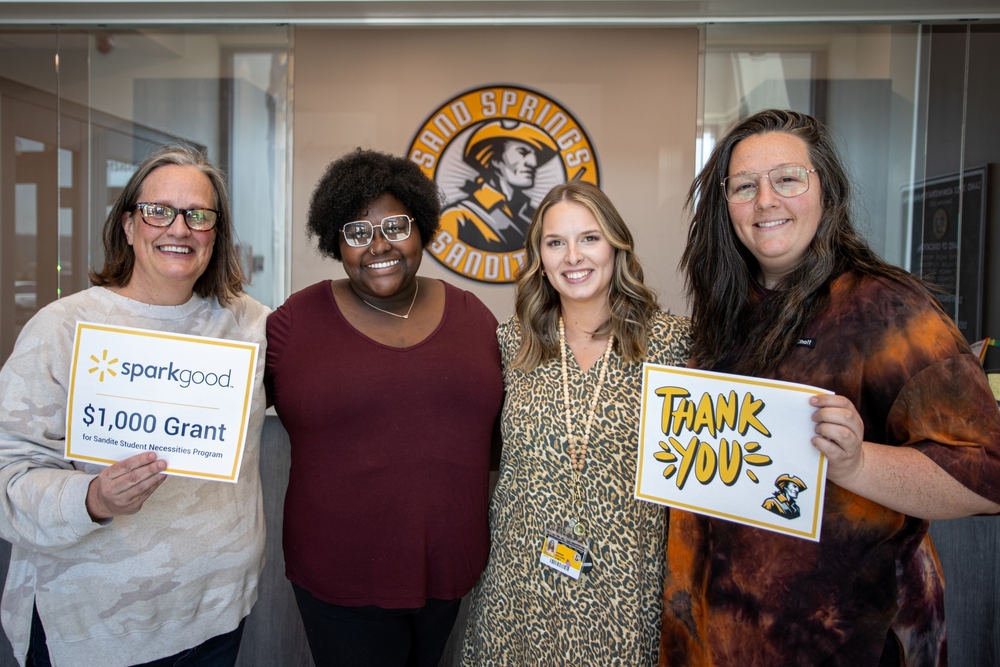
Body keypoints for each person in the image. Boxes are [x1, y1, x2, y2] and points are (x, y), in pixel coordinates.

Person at [661, 109, 1000, 667]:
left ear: (827, 191)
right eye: (744, 186)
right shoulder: (727, 309)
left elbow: (987, 475)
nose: (766, 200)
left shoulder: (887, 310)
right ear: (725, 205)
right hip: (712, 638)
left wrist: (857, 464)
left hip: (840, 641)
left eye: (787, 179)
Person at [0, 144, 269, 666]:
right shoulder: (62, 328)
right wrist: (93, 499)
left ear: (216, 233)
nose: (179, 228)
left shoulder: (250, 325)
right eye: (157, 211)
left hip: (215, 614)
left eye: (198, 215)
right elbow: (8, 474)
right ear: (128, 225)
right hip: (95, 629)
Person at [265, 148, 503, 667]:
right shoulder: (295, 323)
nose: (379, 245)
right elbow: (223, 407)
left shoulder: (474, 317)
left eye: (395, 226)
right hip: (340, 577)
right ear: (335, 241)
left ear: (421, 228)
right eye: (357, 232)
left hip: (448, 569)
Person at [461, 181, 691, 666]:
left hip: (626, 591)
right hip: (518, 589)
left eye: (589, 238)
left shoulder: (675, 345)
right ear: (539, 258)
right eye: (555, 242)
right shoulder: (511, 343)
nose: (573, 256)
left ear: (616, 245)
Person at [441, 120, 559, 252]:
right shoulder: (458, 217)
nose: (533, 162)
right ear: (496, 160)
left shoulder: (532, 216)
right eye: (522, 152)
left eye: (534, 155)